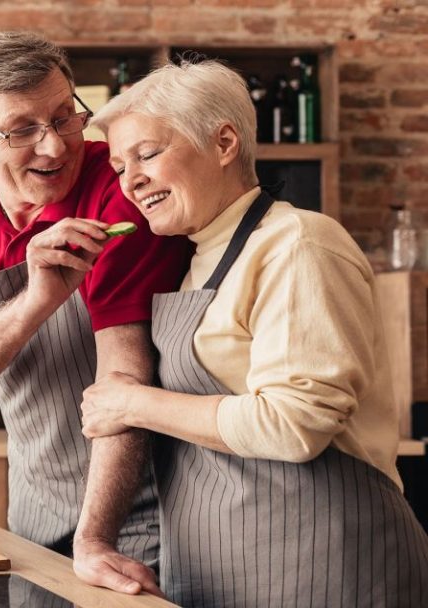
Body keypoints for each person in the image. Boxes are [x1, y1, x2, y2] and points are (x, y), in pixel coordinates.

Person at [80, 59, 428, 606]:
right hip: (228, 567)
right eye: (121, 166)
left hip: (323, 567)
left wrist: (131, 403)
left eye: (147, 154)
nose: (132, 181)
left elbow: (293, 424)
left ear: (223, 143)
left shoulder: (298, 245)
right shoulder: (198, 256)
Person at [0, 31, 191, 596]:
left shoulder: (118, 195)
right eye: (21, 130)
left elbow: (124, 377)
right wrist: (40, 297)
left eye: (66, 116)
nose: (56, 147)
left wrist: (94, 540)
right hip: (32, 519)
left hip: (139, 525)